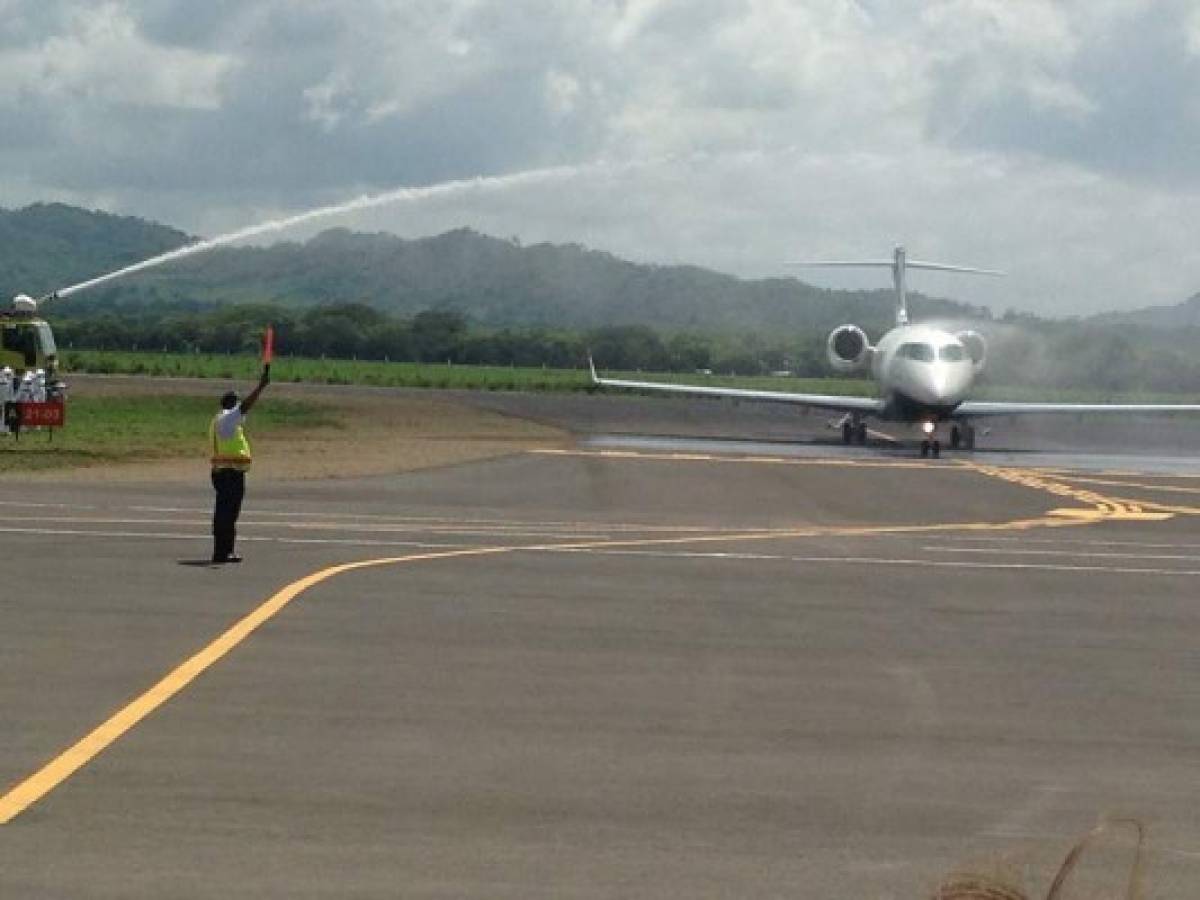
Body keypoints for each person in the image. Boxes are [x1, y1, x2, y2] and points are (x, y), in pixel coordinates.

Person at [209, 367, 270, 564]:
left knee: (228, 512)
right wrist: (260, 387)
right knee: (227, 513)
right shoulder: (226, 419)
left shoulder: (223, 422)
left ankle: (226, 550)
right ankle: (221, 552)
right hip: (228, 474)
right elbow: (245, 407)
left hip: (227, 472)